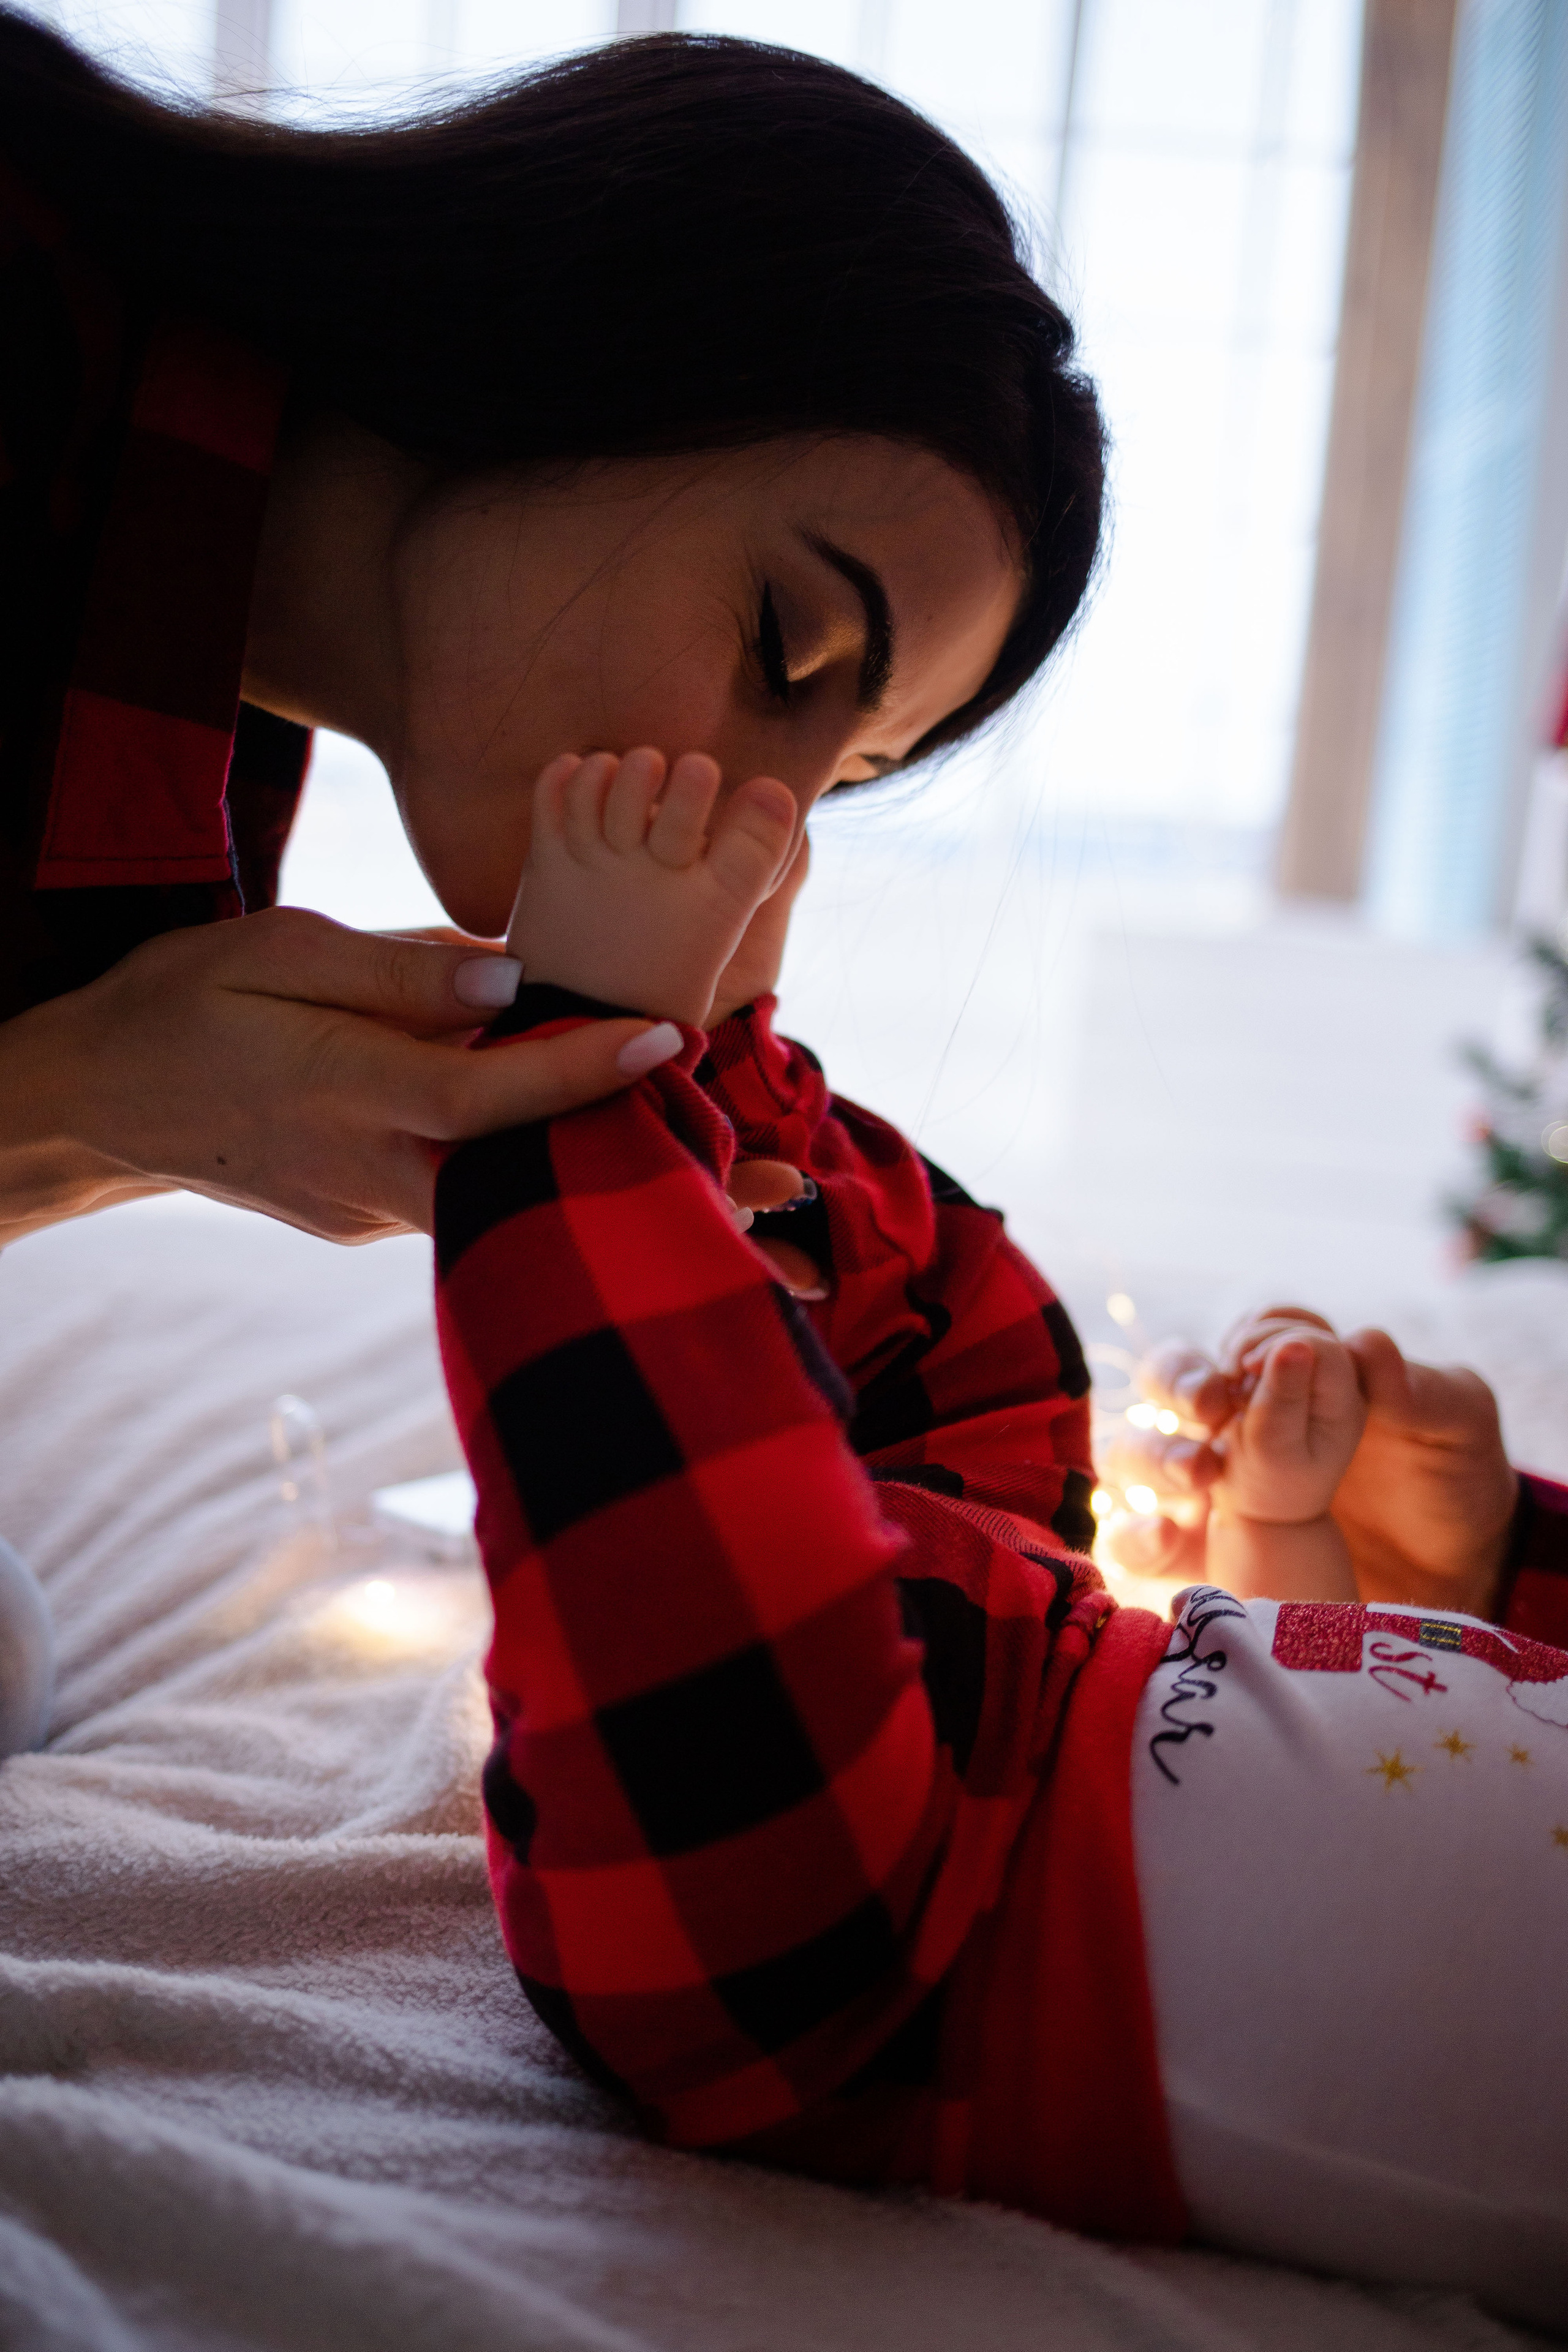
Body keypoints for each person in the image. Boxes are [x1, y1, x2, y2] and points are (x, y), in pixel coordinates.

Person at [435, 741, 1568, 2331]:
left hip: (884, 1952)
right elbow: (1361, 1785)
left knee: (690, 1494)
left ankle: (584, 1067)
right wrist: (1312, 1535)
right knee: (988, 1339)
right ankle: (714, 1070)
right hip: (1048, 1662)